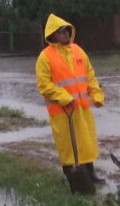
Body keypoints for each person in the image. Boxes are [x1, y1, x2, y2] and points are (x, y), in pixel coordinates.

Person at [36, 14, 105, 191]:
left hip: (82, 108)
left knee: (86, 143)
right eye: (61, 31)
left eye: (67, 30)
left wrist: (96, 94)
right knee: (68, 147)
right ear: (53, 34)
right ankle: (72, 178)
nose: (66, 33)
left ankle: (90, 174)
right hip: (63, 111)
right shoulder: (45, 57)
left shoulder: (78, 51)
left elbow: (90, 75)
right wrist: (64, 97)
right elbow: (44, 85)